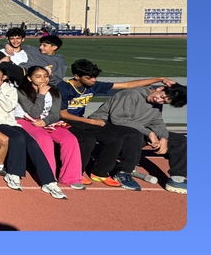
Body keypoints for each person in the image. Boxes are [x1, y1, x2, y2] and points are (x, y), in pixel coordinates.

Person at [58, 60, 178, 189]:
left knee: (114, 139)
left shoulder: (92, 85)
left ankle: (99, 172)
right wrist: (91, 121)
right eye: (89, 78)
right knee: (88, 140)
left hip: (81, 121)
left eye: (94, 77)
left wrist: (159, 79)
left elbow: (126, 85)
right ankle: (76, 173)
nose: (93, 80)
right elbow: (62, 114)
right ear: (76, 76)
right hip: (62, 121)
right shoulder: (64, 87)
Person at [0, 65, 63, 195]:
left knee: (32, 143)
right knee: (18, 138)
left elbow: (8, 106)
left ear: (4, 77)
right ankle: (13, 174)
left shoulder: (12, 90)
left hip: (10, 122)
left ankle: (48, 180)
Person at [90, 82, 187, 194]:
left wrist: (164, 139)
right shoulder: (132, 94)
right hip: (107, 125)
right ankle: (123, 172)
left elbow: (156, 122)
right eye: (161, 97)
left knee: (181, 141)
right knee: (134, 136)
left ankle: (177, 178)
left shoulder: (156, 103)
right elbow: (119, 119)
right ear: (160, 88)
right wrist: (150, 134)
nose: (159, 101)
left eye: (164, 102)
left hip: (135, 128)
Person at [16, 66, 83, 192]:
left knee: (70, 139)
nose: (43, 79)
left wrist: (45, 121)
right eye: (38, 76)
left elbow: (55, 114)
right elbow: (34, 113)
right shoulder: (21, 92)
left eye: (45, 76)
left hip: (46, 122)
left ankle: (71, 178)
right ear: (29, 78)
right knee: (44, 138)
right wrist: (41, 94)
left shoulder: (54, 92)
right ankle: (47, 177)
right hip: (25, 120)